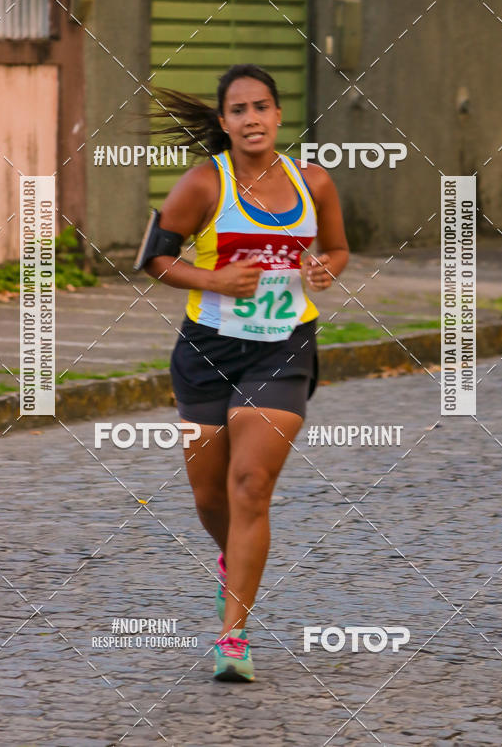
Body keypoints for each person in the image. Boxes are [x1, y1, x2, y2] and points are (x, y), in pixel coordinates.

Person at [144, 64, 349, 682]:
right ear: (225, 121)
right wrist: (212, 279)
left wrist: (326, 269)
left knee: (250, 483)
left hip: (283, 347)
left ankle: (233, 638)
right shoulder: (205, 184)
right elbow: (152, 257)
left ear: (279, 116)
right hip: (206, 351)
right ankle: (232, 563)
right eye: (239, 110)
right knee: (210, 495)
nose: (252, 118)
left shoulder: (313, 182)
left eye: (262, 107)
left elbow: (338, 247)